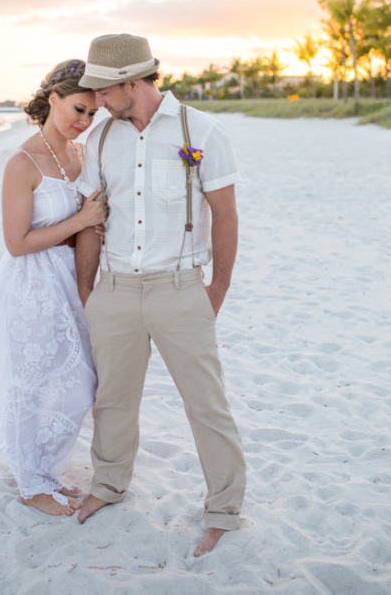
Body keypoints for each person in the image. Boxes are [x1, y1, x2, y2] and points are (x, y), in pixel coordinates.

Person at [74, 34, 246, 555]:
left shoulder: (202, 131)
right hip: (117, 289)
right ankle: (108, 484)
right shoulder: (103, 141)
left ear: (133, 82)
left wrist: (217, 287)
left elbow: (225, 213)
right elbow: (91, 218)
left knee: (206, 404)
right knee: (113, 400)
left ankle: (223, 508)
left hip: (180, 289)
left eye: (104, 92)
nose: (97, 104)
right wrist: (88, 289)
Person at [0, 59, 103, 517]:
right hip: (31, 283)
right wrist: (81, 220)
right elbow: (16, 243)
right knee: (31, 382)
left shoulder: (80, 155)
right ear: (52, 99)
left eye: (93, 114)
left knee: (79, 380)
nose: (85, 122)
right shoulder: (22, 162)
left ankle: (47, 468)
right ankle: (32, 481)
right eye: (78, 109)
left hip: (71, 279)